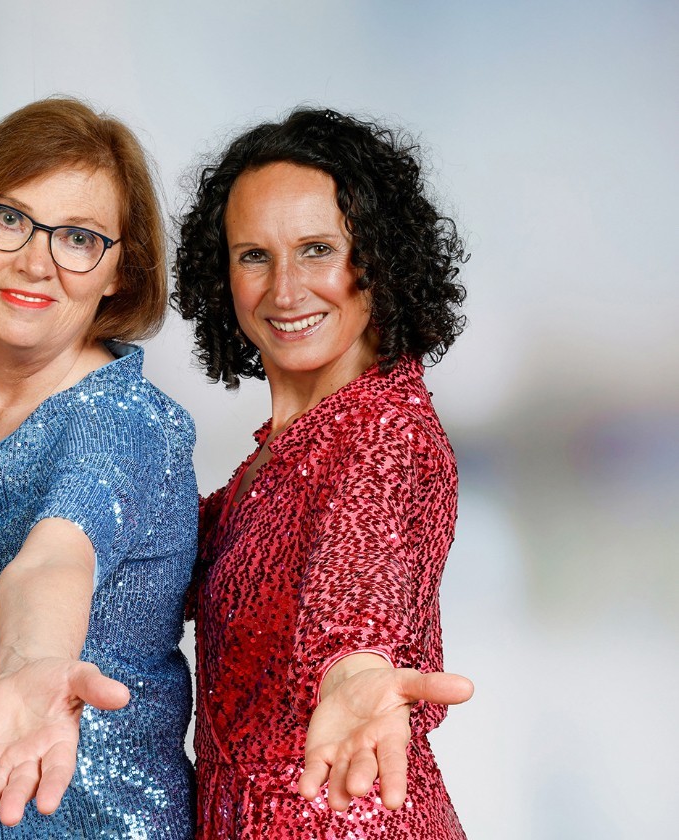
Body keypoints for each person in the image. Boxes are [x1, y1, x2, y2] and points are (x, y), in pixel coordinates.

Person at [0, 98, 198, 837]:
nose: (35, 260)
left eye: (79, 238)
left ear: (118, 272)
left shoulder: (123, 426)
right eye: (10, 218)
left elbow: (54, 561)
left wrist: (31, 665)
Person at [172, 107, 476, 838]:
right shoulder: (284, 451)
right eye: (254, 255)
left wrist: (355, 672)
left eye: (317, 250)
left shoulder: (384, 433)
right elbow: (165, 556)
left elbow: (355, 587)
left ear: (380, 258)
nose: (284, 290)